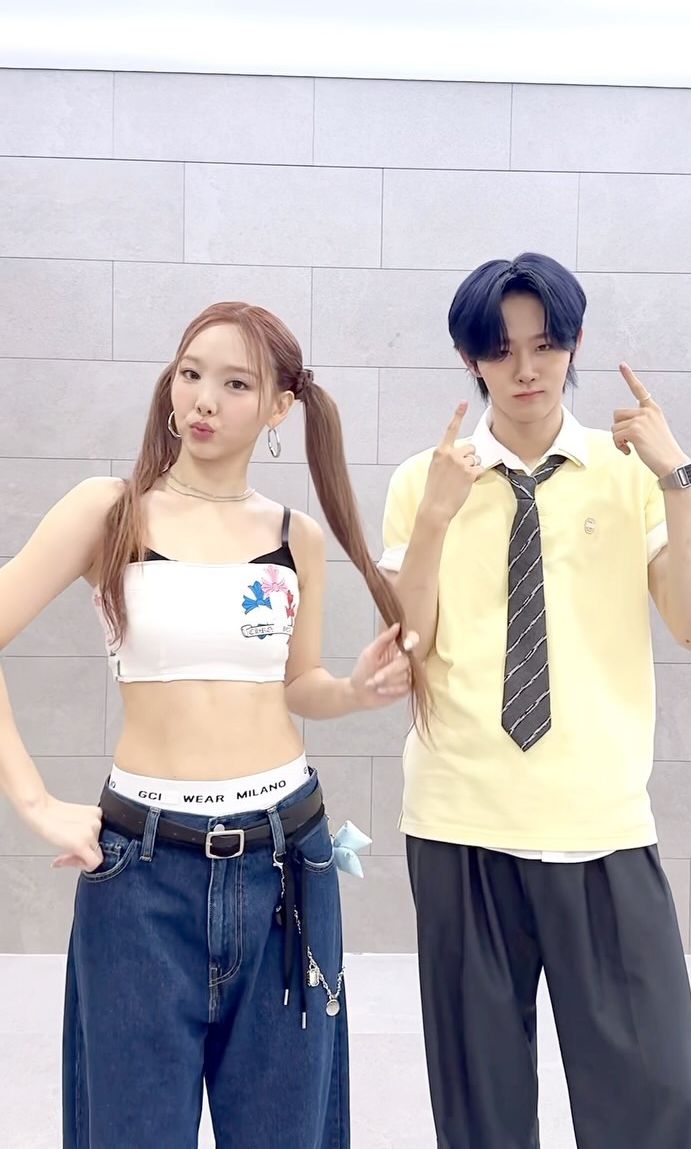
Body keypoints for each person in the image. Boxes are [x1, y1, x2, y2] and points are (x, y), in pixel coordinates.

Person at [0, 300, 421, 1149]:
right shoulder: (110, 511)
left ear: (279, 407)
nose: (203, 399)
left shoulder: (296, 537)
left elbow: (297, 684)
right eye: (191, 374)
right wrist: (35, 802)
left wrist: (352, 691)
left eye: (236, 384)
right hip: (141, 871)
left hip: (286, 863)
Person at [379, 253, 691, 1149]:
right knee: (482, 1115)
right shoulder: (424, 481)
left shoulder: (628, 471)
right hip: (460, 825)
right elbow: (407, 646)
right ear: (471, 359)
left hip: (601, 823)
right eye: (501, 350)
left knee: (654, 1105)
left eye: (546, 344)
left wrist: (678, 476)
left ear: (574, 344)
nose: (526, 369)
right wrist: (436, 518)